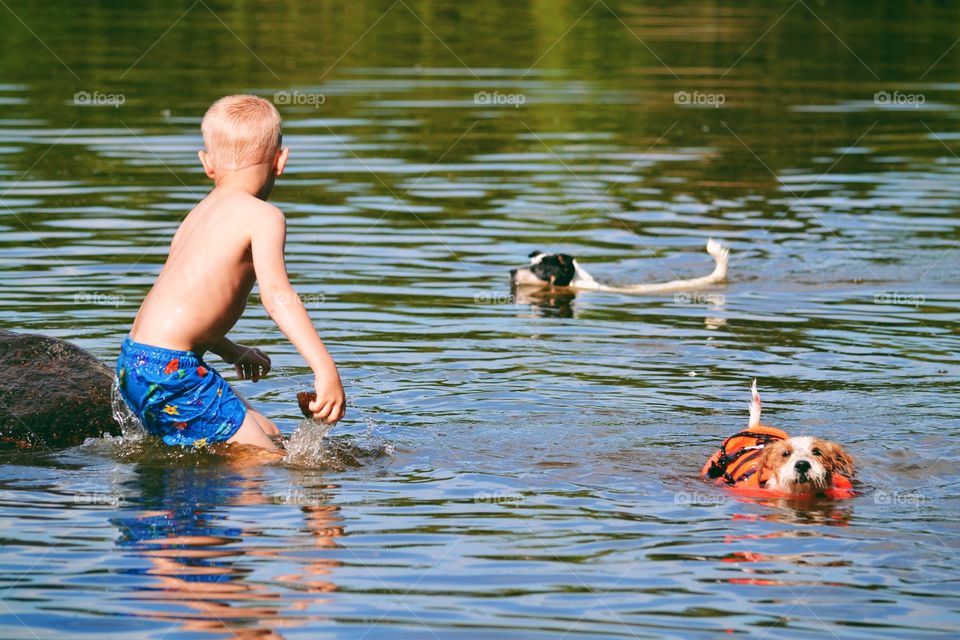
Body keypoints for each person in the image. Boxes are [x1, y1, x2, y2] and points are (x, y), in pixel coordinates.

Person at [115, 94, 345, 452]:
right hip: (172, 368)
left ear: (207, 164)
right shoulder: (264, 216)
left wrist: (232, 350)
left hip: (136, 360)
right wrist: (325, 369)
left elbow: (184, 302)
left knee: (269, 435)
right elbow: (277, 296)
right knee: (262, 462)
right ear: (280, 161)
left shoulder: (197, 214)